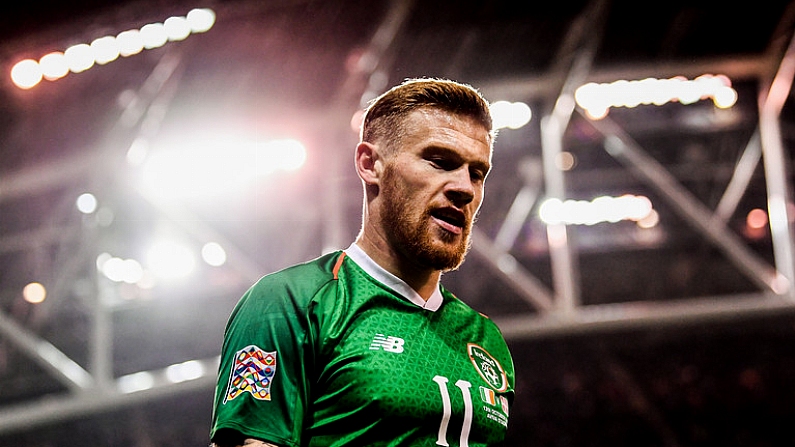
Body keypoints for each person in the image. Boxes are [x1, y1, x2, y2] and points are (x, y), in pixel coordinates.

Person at [210, 78, 515, 447]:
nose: (465, 187)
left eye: (477, 173)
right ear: (370, 164)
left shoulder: (486, 340)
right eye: (440, 162)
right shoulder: (290, 302)